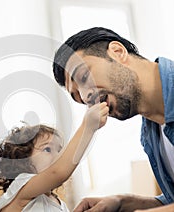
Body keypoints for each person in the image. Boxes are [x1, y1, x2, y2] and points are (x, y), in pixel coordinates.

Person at [52, 27, 174, 211]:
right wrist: (123, 202)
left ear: (118, 52)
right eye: (78, 98)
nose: (87, 97)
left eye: (84, 76)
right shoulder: (151, 133)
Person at [0, 102, 109, 211]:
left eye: (59, 150)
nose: (58, 156)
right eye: (47, 149)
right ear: (23, 159)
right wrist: (88, 127)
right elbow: (57, 172)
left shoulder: (58, 203)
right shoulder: (22, 185)